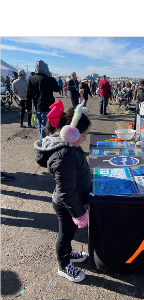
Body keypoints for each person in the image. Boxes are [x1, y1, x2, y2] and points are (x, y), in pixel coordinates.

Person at [33, 101, 92, 283]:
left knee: (70, 231)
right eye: (84, 135)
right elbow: (66, 191)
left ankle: (68, 252)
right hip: (67, 204)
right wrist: (79, 213)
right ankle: (63, 265)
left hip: (73, 200)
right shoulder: (63, 155)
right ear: (70, 133)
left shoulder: (70, 147)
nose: (85, 139)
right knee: (65, 234)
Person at [26, 60, 61, 138]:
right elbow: (57, 89)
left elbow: (28, 94)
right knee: (45, 127)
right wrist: (51, 77)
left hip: (37, 107)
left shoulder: (31, 79)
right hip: (47, 107)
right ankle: (44, 142)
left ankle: (43, 140)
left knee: (40, 126)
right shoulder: (48, 79)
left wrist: (28, 107)